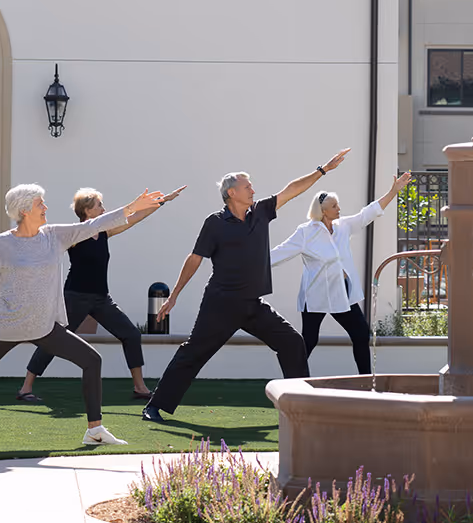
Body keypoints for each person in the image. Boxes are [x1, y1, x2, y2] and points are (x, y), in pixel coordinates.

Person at [0, 184, 165, 447]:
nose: (46, 208)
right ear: (24, 211)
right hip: (6, 326)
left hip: (44, 326)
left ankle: (95, 429)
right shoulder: (3, 244)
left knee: (92, 360)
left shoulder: (53, 235)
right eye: (40, 204)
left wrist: (132, 206)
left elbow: (95, 225)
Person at [141, 150, 350, 424]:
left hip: (253, 304)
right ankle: (154, 407)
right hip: (221, 304)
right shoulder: (214, 223)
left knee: (292, 343)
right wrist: (174, 295)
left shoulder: (261, 213)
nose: (253, 189)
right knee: (193, 353)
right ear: (231, 193)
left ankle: (302, 408)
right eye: (247, 186)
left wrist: (323, 170)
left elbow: (291, 191)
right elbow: (194, 259)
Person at [16, 184, 186, 402]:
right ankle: (25, 389)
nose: (104, 209)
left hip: (101, 299)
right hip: (75, 297)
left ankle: (140, 388)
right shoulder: (74, 235)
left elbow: (136, 217)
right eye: (99, 205)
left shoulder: (105, 232)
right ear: (87, 210)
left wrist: (162, 201)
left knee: (131, 335)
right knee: (55, 340)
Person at [270, 171, 412, 374]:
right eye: (334, 206)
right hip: (315, 294)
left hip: (342, 292)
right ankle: (292, 380)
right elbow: (280, 253)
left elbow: (368, 213)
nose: (339, 209)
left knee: (361, 333)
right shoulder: (305, 232)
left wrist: (393, 192)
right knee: (309, 339)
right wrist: (249, 263)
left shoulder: (343, 226)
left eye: (338, 205)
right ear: (323, 211)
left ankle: (365, 381)